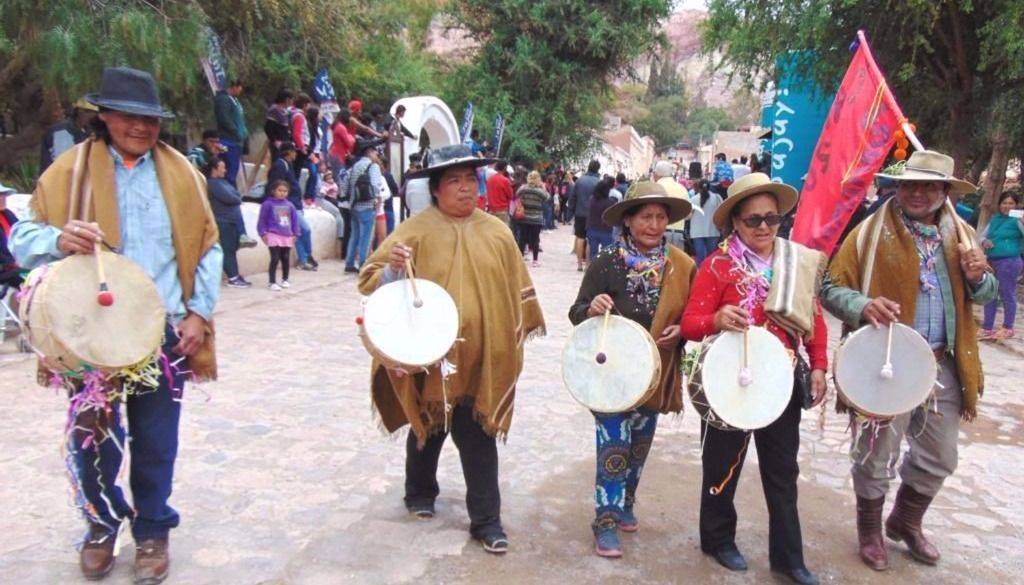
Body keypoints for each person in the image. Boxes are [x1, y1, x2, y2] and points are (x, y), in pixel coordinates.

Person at [11, 66, 222, 584]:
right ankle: (100, 528)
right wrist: (59, 239)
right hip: (91, 336)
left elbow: (209, 247)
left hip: (165, 329)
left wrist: (198, 313)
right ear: (103, 117)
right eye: (129, 116)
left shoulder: (184, 176)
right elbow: (20, 241)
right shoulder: (68, 172)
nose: (141, 127)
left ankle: (152, 531)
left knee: (157, 440)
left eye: (150, 118)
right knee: (95, 438)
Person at [357, 143, 545, 555]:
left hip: (482, 356)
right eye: (454, 182)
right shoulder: (415, 230)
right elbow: (370, 280)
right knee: (429, 424)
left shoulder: (497, 231)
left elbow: (515, 293)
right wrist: (393, 267)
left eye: (469, 181)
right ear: (437, 189)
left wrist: (505, 346)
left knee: (478, 433)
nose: (464, 190)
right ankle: (420, 491)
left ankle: (487, 521)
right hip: (429, 356)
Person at [820, 149, 996, 573]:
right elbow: (829, 287)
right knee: (875, 452)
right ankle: (870, 530)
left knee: (941, 455)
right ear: (896, 188)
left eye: (928, 185)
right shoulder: (868, 234)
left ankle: (906, 520)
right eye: (910, 184)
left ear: (943, 191)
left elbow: (985, 293)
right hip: (885, 363)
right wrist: (863, 305)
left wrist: (978, 277)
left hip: (943, 364)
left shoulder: (963, 235)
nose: (918, 193)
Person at [681, 172, 828, 585]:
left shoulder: (794, 262)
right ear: (734, 224)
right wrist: (716, 319)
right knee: (722, 463)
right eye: (753, 220)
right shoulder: (718, 266)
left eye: (772, 218)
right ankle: (717, 539)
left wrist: (818, 365)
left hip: (779, 379)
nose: (764, 227)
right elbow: (691, 323)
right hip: (729, 380)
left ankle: (788, 558)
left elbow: (814, 319)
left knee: (782, 470)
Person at [569, 182, 695, 558]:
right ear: (628, 220)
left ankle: (626, 503)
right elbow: (576, 312)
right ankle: (605, 521)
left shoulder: (682, 266)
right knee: (615, 444)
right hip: (611, 375)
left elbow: (693, 316)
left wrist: (682, 332)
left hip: (654, 373)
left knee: (639, 446)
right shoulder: (606, 262)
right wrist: (592, 308)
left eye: (660, 217)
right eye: (645, 217)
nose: (654, 225)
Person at [265, 141, 317, 271]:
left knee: (298, 232)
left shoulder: (289, 165)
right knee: (305, 229)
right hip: (290, 205)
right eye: (294, 151)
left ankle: (303, 259)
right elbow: (276, 185)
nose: (296, 154)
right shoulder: (280, 165)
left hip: (296, 204)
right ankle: (306, 256)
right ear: (289, 152)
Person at [979, 192, 1024, 339]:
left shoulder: (1017, 219)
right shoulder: (995, 219)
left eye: (1011, 203)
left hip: (1010, 261)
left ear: (1016, 205)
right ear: (999, 205)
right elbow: (982, 236)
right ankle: (987, 327)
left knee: (1007, 294)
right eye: (1004, 203)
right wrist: (985, 241)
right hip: (992, 261)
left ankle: (1008, 328)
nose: (1007, 206)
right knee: (990, 293)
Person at [204, 157, 252, 288]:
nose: (225, 170)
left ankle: (235, 274)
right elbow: (231, 198)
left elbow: (236, 195)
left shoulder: (223, 182)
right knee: (227, 250)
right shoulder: (212, 183)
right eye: (222, 167)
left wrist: (236, 198)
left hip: (232, 221)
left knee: (232, 249)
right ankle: (232, 277)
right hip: (223, 221)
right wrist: (236, 198)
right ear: (215, 169)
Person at [344, 136, 385, 272]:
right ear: (368, 152)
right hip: (367, 205)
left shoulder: (355, 166)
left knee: (354, 235)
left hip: (354, 204)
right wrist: (377, 200)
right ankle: (363, 262)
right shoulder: (373, 166)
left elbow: (346, 184)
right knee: (366, 236)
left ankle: (349, 263)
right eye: (374, 151)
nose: (376, 154)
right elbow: (375, 186)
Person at [258, 180, 300, 290]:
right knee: (275, 258)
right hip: (273, 234)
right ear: (273, 191)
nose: (282, 193)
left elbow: (295, 221)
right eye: (280, 190)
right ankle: (272, 282)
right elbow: (262, 220)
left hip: (287, 235)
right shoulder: (267, 204)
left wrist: (296, 233)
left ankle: (285, 279)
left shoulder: (290, 205)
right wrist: (263, 233)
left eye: (285, 191)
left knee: (285, 258)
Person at [39, 98, 98, 174]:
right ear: (79, 111)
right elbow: (64, 164)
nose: (93, 117)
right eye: (90, 113)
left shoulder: (86, 131)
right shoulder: (61, 132)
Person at [213, 80, 248, 187]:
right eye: (240, 87)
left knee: (233, 168)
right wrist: (237, 132)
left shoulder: (235, 100)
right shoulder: (223, 99)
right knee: (228, 168)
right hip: (228, 141)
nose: (241, 90)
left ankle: (230, 190)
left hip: (236, 142)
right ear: (234, 86)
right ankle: (227, 192)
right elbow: (224, 119)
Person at [570, 160, 602, 271]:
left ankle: (579, 264)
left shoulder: (580, 181)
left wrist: (571, 211)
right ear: (598, 169)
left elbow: (573, 197)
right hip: (593, 214)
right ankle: (588, 264)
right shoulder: (599, 182)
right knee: (589, 239)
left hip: (579, 213)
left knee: (579, 237)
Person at [514, 170, 550, 266]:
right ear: (538, 179)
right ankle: (535, 261)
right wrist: (543, 187)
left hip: (524, 217)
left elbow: (517, 195)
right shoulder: (539, 191)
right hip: (536, 218)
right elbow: (547, 198)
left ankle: (521, 258)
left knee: (522, 238)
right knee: (535, 239)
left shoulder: (523, 188)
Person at [653, 160, 689, 250]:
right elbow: (688, 214)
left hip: (659, 233)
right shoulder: (682, 188)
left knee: (658, 263)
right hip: (679, 233)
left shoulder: (655, 187)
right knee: (678, 263)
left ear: (657, 174)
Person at [688, 179, 723, 265]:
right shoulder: (717, 198)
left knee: (700, 259)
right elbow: (722, 213)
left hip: (697, 233)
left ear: (698, 188)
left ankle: (699, 276)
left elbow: (687, 217)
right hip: (713, 231)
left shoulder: (693, 199)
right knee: (711, 259)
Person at [586, 177, 617, 260]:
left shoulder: (591, 199)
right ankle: (602, 270)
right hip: (606, 230)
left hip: (592, 228)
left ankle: (593, 269)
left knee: (593, 252)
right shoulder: (610, 202)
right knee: (606, 253)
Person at [0, 183, 23, 288]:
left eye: (4, 194)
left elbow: (22, 233)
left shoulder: (8, 214)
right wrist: (12, 263)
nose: (2, 198)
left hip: (16, 263)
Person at [264, 89, 293, 158]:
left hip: (285, 144)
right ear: (287, 99)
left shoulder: (285, 111)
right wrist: (275, 141)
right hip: (278, 145)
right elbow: (268, 127)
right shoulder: (274, 110)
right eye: (291, 99)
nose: (292, 102)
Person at [486, 160, 514, 225]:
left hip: (491, 210)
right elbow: (511, 195)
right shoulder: (505, 180)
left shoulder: (490, 179)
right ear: (505, 168)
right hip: (502, 211)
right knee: (503, 232)